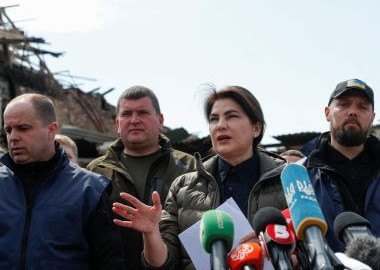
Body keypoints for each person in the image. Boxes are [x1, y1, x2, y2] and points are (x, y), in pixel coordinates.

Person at [112, 85, 288, 269]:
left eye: (232, 116)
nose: (220, 125)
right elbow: (164, 263)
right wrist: (151, 233)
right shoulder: (183, 187)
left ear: (256, 128)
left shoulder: (289, 180)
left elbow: (309, 249)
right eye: (214, 119)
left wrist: (283, 256)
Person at [0, 93, 125, 269]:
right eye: (8, 130)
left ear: (51, 130)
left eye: (23, 128)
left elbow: (109, 262)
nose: (13, 137)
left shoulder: (90, 190)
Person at [87, 86, 196, 269]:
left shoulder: (187, 167)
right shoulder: (96, 170)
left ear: (160, 120)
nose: (134, 120)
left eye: (143, 113)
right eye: (127, 114)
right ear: (117, 123)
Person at [303, 79, 379, 252]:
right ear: (327, 113)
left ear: (372, 118)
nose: (353, 112)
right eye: (344, 105)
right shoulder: (300, 176)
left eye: (362, 107)